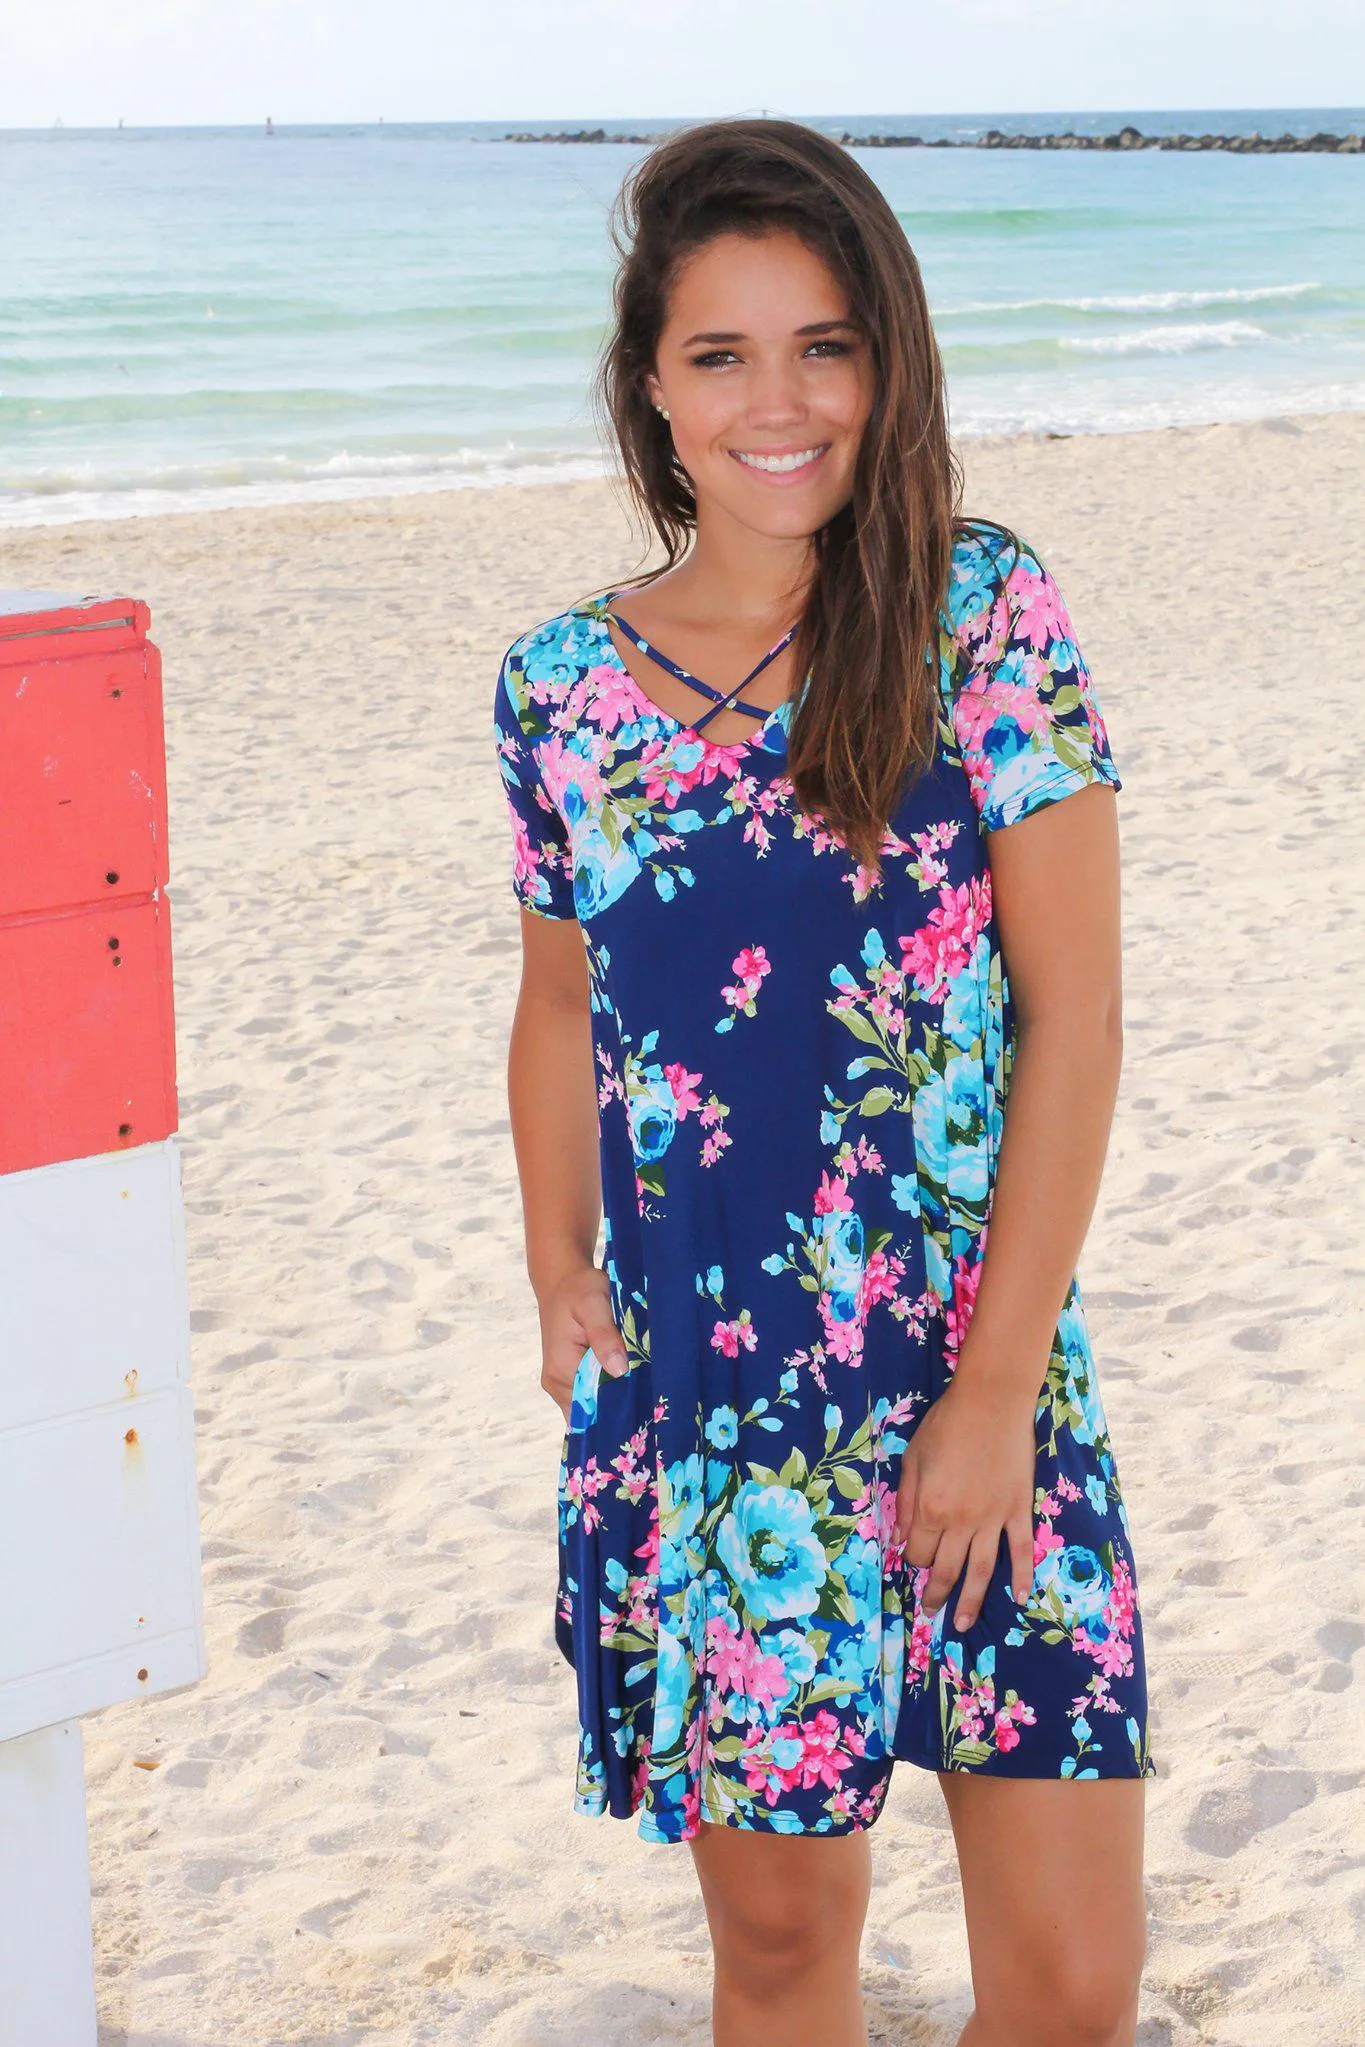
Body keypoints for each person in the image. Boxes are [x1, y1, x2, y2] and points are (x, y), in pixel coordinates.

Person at [493, 118, 1154, 2047]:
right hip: (712, 1409)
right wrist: (558, 1273)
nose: (779, 402)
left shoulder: (980, 613)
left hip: (981, 1368)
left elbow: (1078, 1017)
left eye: (827, 346)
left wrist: (997, 1388)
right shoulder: (561, 687)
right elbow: (557, 1005)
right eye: (721, 355)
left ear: (891, 365)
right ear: (651, 389)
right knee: (784, 1963)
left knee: (1073, 1985)